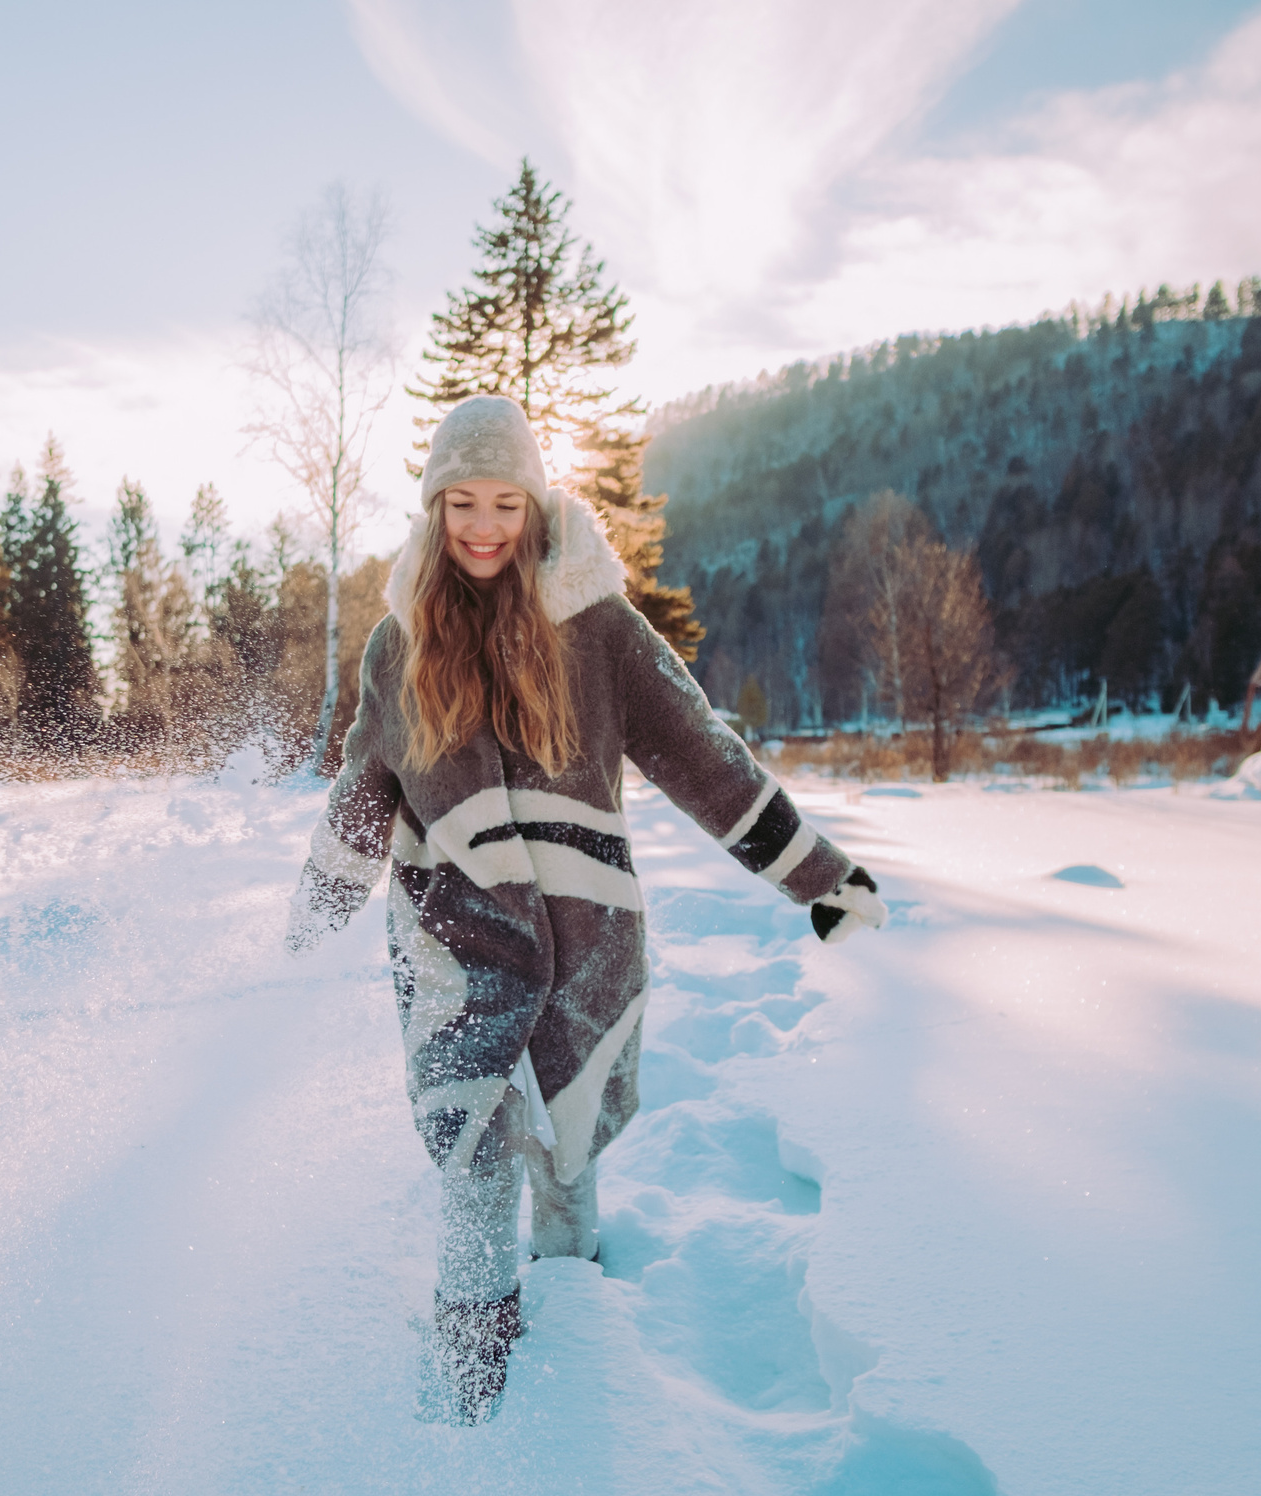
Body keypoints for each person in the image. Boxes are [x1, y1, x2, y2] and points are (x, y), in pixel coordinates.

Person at [285, 396, 886, 1423]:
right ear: (433, 511)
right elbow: (362, 787)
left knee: (565, 1152)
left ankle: (572, 1313)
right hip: (450, 933)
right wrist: (306, 926)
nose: (482, 525)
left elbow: (702, 756)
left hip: (582, 932)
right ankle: (470, 1365)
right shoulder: (397, 643)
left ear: (536, 503)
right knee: (473, 1142)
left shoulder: (600, 628)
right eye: (460, 503)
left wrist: (816, 876)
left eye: (504, 502)